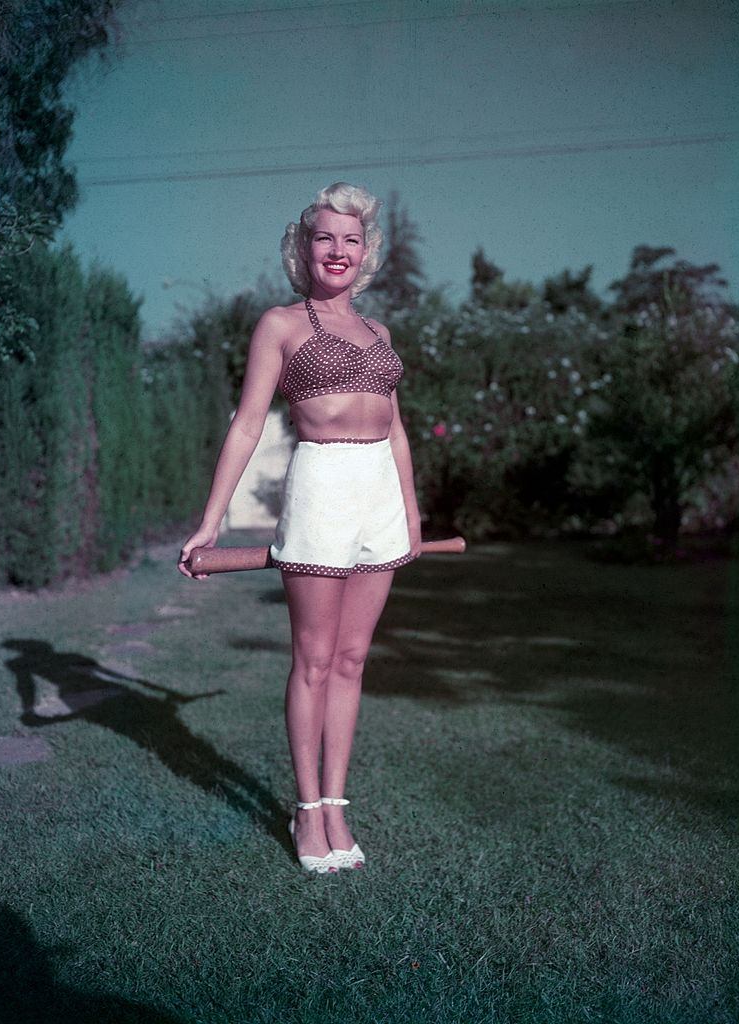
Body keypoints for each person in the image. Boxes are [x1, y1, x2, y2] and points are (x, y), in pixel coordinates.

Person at [177, 182, 422, 874]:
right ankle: (307, 809)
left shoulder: (379, 333)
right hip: (320, 490)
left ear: (365, 251)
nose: (337, 250)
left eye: (350, 239)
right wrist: (210, 521)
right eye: (324, 238)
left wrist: (409, 511)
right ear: (302, 247)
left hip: (377, 493)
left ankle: (338, 803)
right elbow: (249, 425)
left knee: (351, 661)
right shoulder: (281, 325)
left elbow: (397, 432)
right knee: (313, 660)